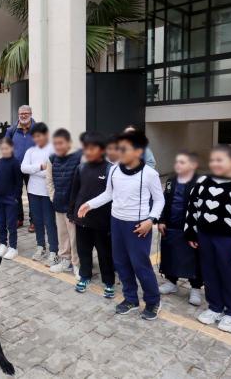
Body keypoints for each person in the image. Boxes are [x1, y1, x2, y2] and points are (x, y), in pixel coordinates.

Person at [77, 130, 164, 321]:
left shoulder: (150, 174)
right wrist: (89, 204)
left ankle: (153, 301)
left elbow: (159, 200)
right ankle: (131, 298)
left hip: (138, 226)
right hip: (116, 222)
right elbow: (109, 194)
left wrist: (151, 220)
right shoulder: (114, 170)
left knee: (140, 265)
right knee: (121, 262)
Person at [184, 144, 231, 334]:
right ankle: (215, 307)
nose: (215, 163)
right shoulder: (202, 183)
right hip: (205, 237)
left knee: (230, 275)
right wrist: (191, 232)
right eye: (213, 160)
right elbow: (193, 208)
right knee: (209, 273)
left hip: (229, 240)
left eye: (220, 160)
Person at [69, 132, 115, 298]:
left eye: (92, 148)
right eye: (86, 148)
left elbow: (112, 196)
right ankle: (85, 276)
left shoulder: (110, 169)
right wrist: (72, 213)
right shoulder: (81, 168)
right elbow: (75, 192)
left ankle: (108, 281)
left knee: (105, 254)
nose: (88, 152)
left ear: (102, 150)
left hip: (102, 222)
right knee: (84, 251)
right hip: (82, 220)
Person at [158, 150, 202, 306]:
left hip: (191, 228)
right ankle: (171, 282)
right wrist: (161, 220)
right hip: (171, 226)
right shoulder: (171, 181)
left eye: (182, 162)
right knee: (170, 255)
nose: (178, 165)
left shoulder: (200, 182)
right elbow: (163, 201)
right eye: (177, 162)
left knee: (194, 258)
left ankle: (195, 287)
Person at [21, 122, 58, 264]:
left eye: (39, 136)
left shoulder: (53, 149)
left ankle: (54, 250)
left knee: (49, 221)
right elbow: (23, 168)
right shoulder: (30, 151)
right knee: (37, 220)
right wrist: (41, 167)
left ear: (46, 135)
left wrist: (35, 171)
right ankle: (40, 246)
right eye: (35, 136)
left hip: (48, 191)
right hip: (33, 191)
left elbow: (53, 171)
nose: (37, 139)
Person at [46, 128, 82, 274]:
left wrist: (79, 203)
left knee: (75, 238)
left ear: (69, 142)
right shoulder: (52, 158)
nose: (58, 146)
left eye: (61, 143)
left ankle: (77, 264)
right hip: (59, 203)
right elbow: (49, 180)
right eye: (55, 144)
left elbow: (84, 181)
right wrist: (53, 196)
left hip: (74, 206)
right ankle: (65, 260)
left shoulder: (79, 157)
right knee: (63, 236)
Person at [5, 105, 36, 230]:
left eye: (26, 113)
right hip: (16, 167)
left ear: (31, 114)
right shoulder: (11, 130)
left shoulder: (38, 129)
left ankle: (34, 221)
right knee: (16, 194)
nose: (23, 115)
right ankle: (19, 219)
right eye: (21, 113)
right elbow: (6, 147)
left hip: (32, 168)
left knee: (32, 194)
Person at [0, 137, 23, 259]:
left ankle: (13, 247)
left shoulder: (15, 163)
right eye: (2, 149)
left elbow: (19, 183)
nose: (4, 151)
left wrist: (16, 197)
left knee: (11, 224)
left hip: (10, 200)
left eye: (6, 148)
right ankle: (3, 244)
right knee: (0, 223)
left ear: (12, 148)